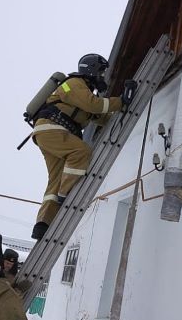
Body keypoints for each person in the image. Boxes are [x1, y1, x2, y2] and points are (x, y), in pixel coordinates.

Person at [30, 53, 135, 240]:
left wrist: (123, 114)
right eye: (101, 72)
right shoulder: (73, 84)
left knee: (56, 178)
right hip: (52, 128)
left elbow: (99, 116)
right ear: (92, 70)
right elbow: (94, 105)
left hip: (50, 132)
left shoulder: (81, 93)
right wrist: (121, 101)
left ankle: (43, 224)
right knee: (81, 151)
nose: (102, 76)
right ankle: (65, 195)